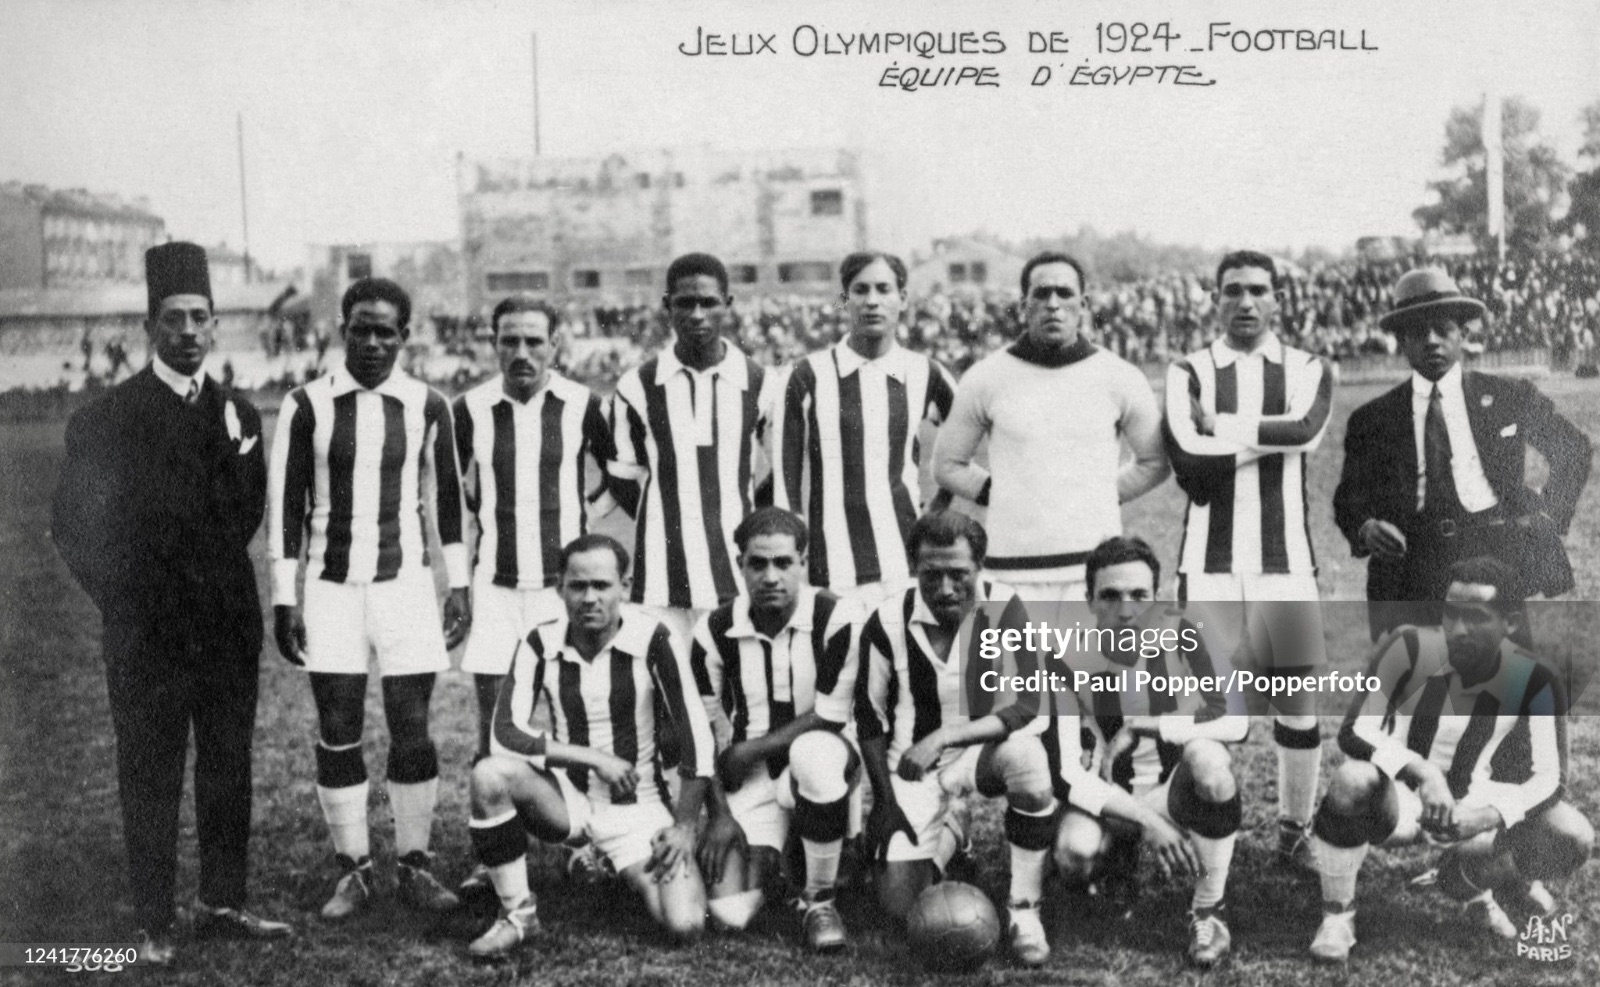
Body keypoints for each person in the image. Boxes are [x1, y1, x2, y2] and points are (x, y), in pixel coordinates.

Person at [52, 242, 290, 964]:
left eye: (200, 317)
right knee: (150, 771)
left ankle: (223, 900)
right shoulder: (106, 418)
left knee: (227, 763)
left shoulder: (238, 413)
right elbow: (73, 526)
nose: (188, 331)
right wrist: (129, 597)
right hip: (147, 633)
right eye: (174, 317)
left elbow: (246, 512)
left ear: (215, 324)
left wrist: (208, 585)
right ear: (150, 325)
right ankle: (153, 919)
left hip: (225, 626)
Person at [267, 277, 470, 920]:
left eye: (387, 331)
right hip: (331, 588)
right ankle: (353, 869)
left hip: (405, 585)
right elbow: (286, 505)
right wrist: (285, 596)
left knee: (412, 727)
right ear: (342, 329)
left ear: (405, 336)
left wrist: (458, 582)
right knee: (338, 728)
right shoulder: (307, 405)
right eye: (362, 329)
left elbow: (447, 501)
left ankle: (414, 864)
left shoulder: (428, 404)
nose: (374, 342)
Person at [1307, 557, 1593, 962]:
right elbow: (1355, 729)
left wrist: (1487, 815)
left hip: (1473, 806)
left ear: (1510, 622)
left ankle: (1464, 879)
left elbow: (1550, 779)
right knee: (1352, 779)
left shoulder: (1536, 678)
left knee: (1571, 834)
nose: (1458, 629)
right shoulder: (1409, 646)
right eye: (1450, 613)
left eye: (1475, 618)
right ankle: (1338, 916)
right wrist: (1422, 772)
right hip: (1400, 799)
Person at [465, 534, 717, 957]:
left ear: (625, 587)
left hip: (638, 807)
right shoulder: (539, 640)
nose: (589, 598)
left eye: (601, 586)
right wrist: (592, 758)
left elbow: (698, 739)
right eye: (577, 586)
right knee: (489, 775)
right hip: (567, 800)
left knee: (685, 924)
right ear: (559, 588)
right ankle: (518, 914)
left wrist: (685, 826)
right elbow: (504, 733)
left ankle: (610, 863)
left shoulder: (655, 638)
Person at [1162, 250, 1334, 865]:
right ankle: (1204, 842)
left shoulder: (1308, 366)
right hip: (1206, 564)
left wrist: (1219, 425)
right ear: (1215, 299)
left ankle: (1295, 829)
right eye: (1232, 290)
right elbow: (1187, 456)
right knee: (1203, 707)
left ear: (1277, 300)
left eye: (1258, 290)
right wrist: (1258, 436)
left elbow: (1307, 430)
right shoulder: (1187, 369)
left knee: (1297, 704)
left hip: (1284, 562)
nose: (1245, 301)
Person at [1333, 267, 1592, 641]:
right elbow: (1349, 498)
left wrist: (1550, 514)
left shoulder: (1508, 396)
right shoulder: (1373, 418)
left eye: (1443, 329)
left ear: (1463, 334)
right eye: (1418, 332)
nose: (1432, 341)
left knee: (1502, 670)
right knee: (1418, 672)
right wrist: (1366, 527)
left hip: (1492, 555)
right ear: (1401, 341)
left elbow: (1573, 449)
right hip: (1411, 562)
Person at [855, 512, 1058, 967]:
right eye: (931, 575)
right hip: (915, 766)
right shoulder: (887, 620)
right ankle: (951, 829)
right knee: (900, 907)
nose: (946, 588)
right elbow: (869, 719)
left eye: (959, 574)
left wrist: (946, 736)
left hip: (982, 752)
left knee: (1028, 759)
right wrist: (884, 801)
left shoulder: (1006, 607)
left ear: (979, 566)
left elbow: (1028, 704)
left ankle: (1024, 910)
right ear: (914, 568)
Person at [1046, 536, 1249, 968]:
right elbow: (1064, 771)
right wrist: (1147, 822)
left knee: (1210, 760)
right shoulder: (1065, 655)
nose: (1126, 610)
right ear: (1089, 600)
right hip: (1112, 802)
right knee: (1073, 854)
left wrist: (1146, 725)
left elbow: (1237, 721)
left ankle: (1209, 910)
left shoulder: (1187, 632)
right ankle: (1113, 863)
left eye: (1139, 595)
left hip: (1173, 795)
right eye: (1110, 596)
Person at [933, 252, 1168, 600]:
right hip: (1009, 569)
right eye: (1041, 294)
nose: (1053, 304)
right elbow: (947, 465)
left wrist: (1098, 493)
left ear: (1083, 304)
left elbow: (1155, 462)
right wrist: (1004, 493)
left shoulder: (1120, 376)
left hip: (1095, 573)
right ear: (1023, 305)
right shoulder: (985, 377)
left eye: (1064, 293)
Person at [688, 508, 859, 951]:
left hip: (828, 762)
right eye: (757, 564)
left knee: (813, 755)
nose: (770, 577)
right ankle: (791, 857)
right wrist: (719, 814)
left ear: (803, 562)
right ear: (740, 564)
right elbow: (699, 731)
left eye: (783, 563)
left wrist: (751, 749)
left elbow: (831, 713)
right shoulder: (714, 628)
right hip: (757, 779)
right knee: (730, 912)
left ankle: (820, 900)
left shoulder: (835, 615)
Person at [453, 295, 615, 762]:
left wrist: (586, 512)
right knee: (495, 734)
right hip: (495, 589)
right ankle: (499, 808)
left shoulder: (583, 404)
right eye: (510, 341)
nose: (521, 353)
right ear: (493, 343)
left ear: (555, 344)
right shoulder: (469, 408)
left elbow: (622, 474)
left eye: (534, 341)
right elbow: (448, 488)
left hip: (564, 590)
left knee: (582, 722)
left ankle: (579, 808)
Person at [607, 253, 779, 642]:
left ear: (727, 305)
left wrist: (744, 514)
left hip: (734, 575)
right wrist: (667, 516)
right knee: (662, 677)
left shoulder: (761, 383)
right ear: (667, 306)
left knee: (731, 677)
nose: (698, 315)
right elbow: (622, 477)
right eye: (685, 303)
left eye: (709, 303)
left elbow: (779, 474)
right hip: (660, 578)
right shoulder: (637, 385)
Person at [773, 252, 956, 609]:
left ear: (903, 298)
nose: (872, 301)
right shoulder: (808, 374)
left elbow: (968, 432)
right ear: (844, 299)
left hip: (905, 555)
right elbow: (786, 471)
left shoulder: (924, 371)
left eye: (884, 289)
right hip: (832, 561)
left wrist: (941, 502)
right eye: (860, 290)